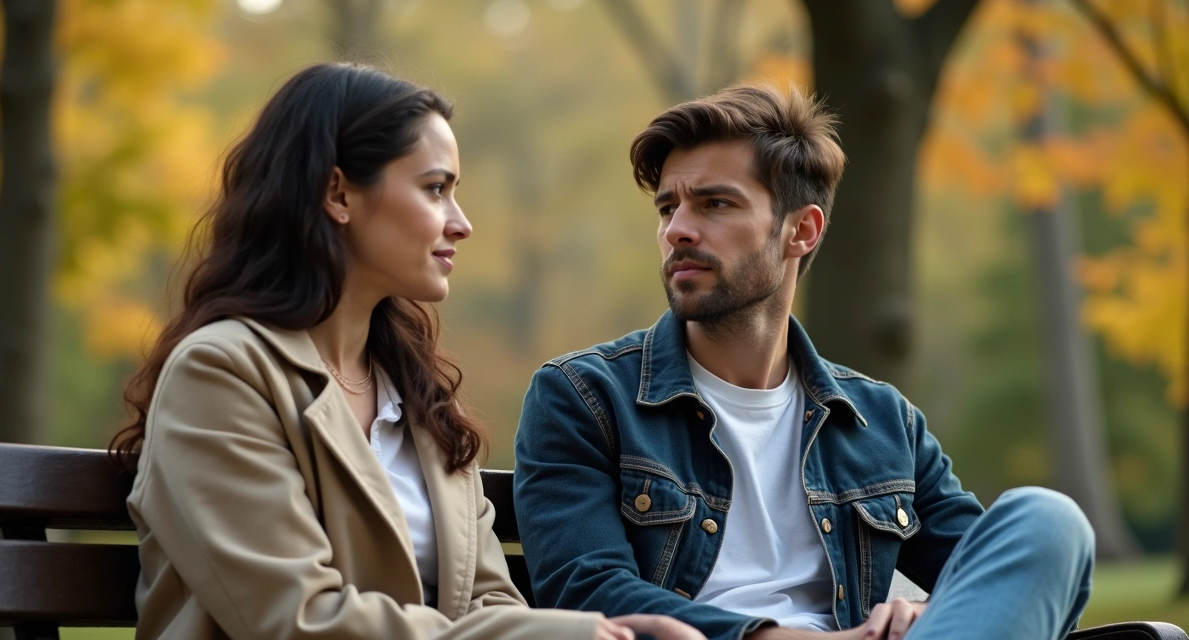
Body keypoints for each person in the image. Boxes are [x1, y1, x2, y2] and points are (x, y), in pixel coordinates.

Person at [111, 62, 701, 640]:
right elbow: (296, 620)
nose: (462, 223)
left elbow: (487, 601)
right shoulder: (221, 374)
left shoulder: (418, 397)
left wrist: (609, 631)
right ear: (338, 193)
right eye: (435, 189)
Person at [512, 83, 1095, 640]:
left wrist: (926, 617)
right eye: (668, 208)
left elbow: (997, 584)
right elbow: (586, 593)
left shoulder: (881, 422)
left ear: (801, 230)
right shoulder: (584, 397)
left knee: (1047, 521)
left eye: (715, 204)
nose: (678, 231)